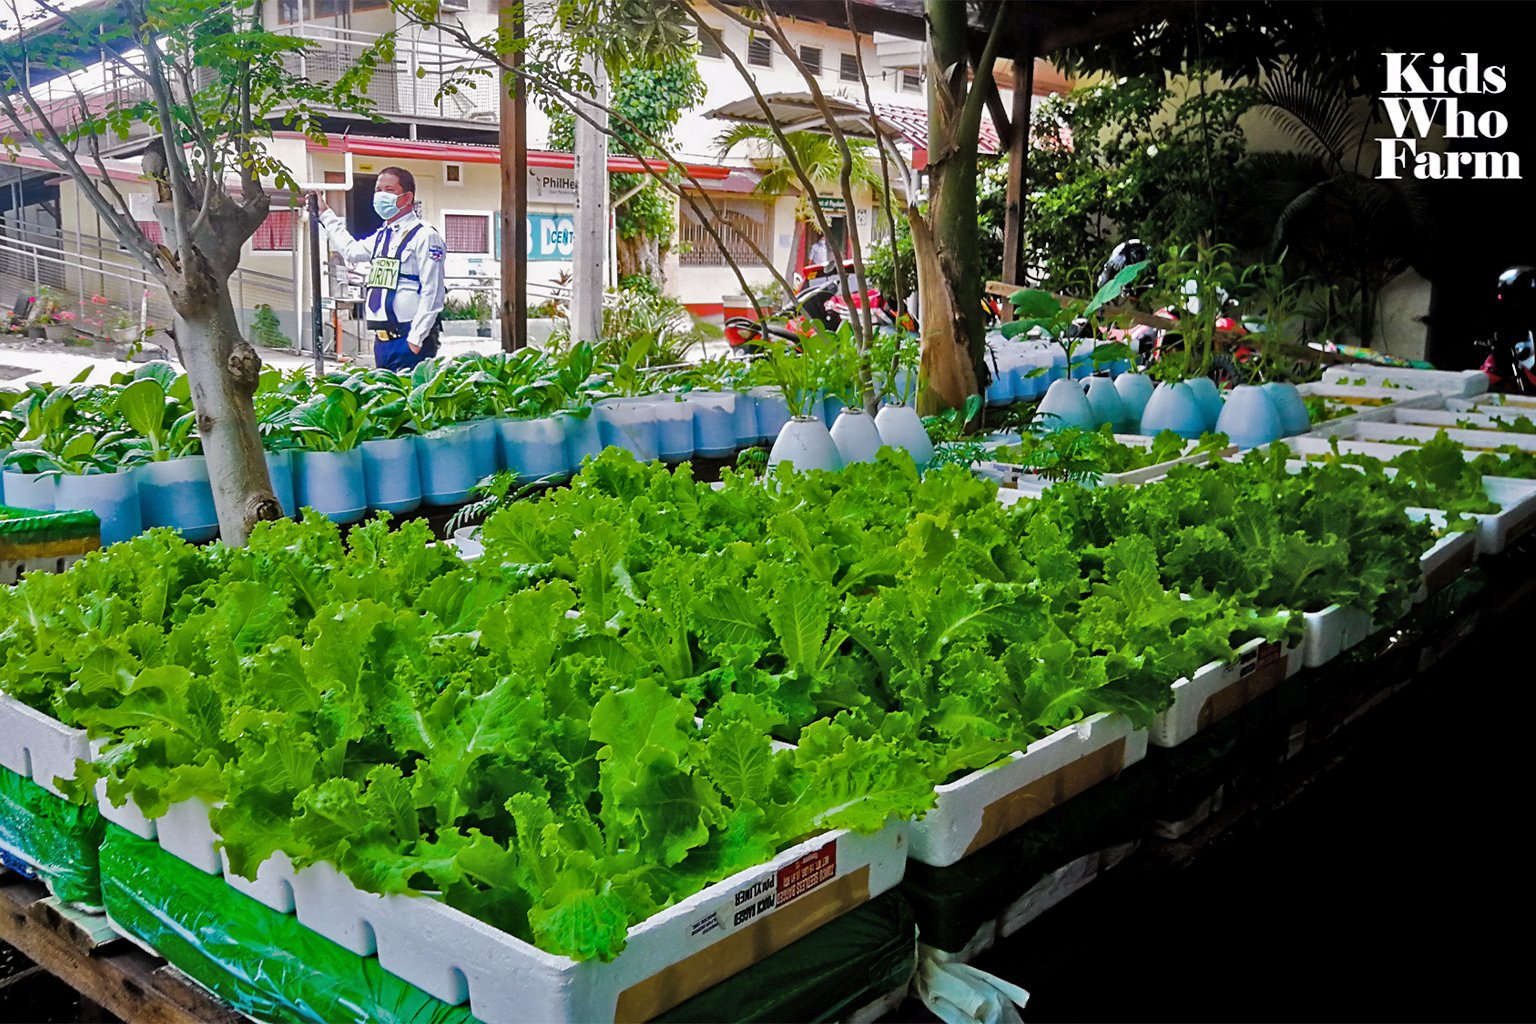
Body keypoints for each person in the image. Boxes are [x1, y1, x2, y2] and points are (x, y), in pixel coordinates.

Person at [310, 167, 446, 372]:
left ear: (407, 197)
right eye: (378, 189)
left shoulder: (425, 236)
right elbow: (351, 251)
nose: (381, 195)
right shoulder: (383, 235)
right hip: (382, 342)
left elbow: (433, 291)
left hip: (408, 340)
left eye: (389, 190)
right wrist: (326, 214)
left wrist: (416, 339)